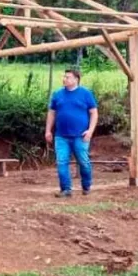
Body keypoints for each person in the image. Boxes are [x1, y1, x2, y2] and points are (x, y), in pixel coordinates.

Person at [45, 68, 99, 198]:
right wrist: (48, 130)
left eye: (68, 77)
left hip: (80, 136)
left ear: (76, 79)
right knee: (61, 162)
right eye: (64, 77)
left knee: (83, 162)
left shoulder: (86, 94)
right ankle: (66, 189)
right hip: (61, 136)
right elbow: (51, 113)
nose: (64, 79)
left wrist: (90, 131)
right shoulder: (57, 94)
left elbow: (94, 113)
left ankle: (86, 185)